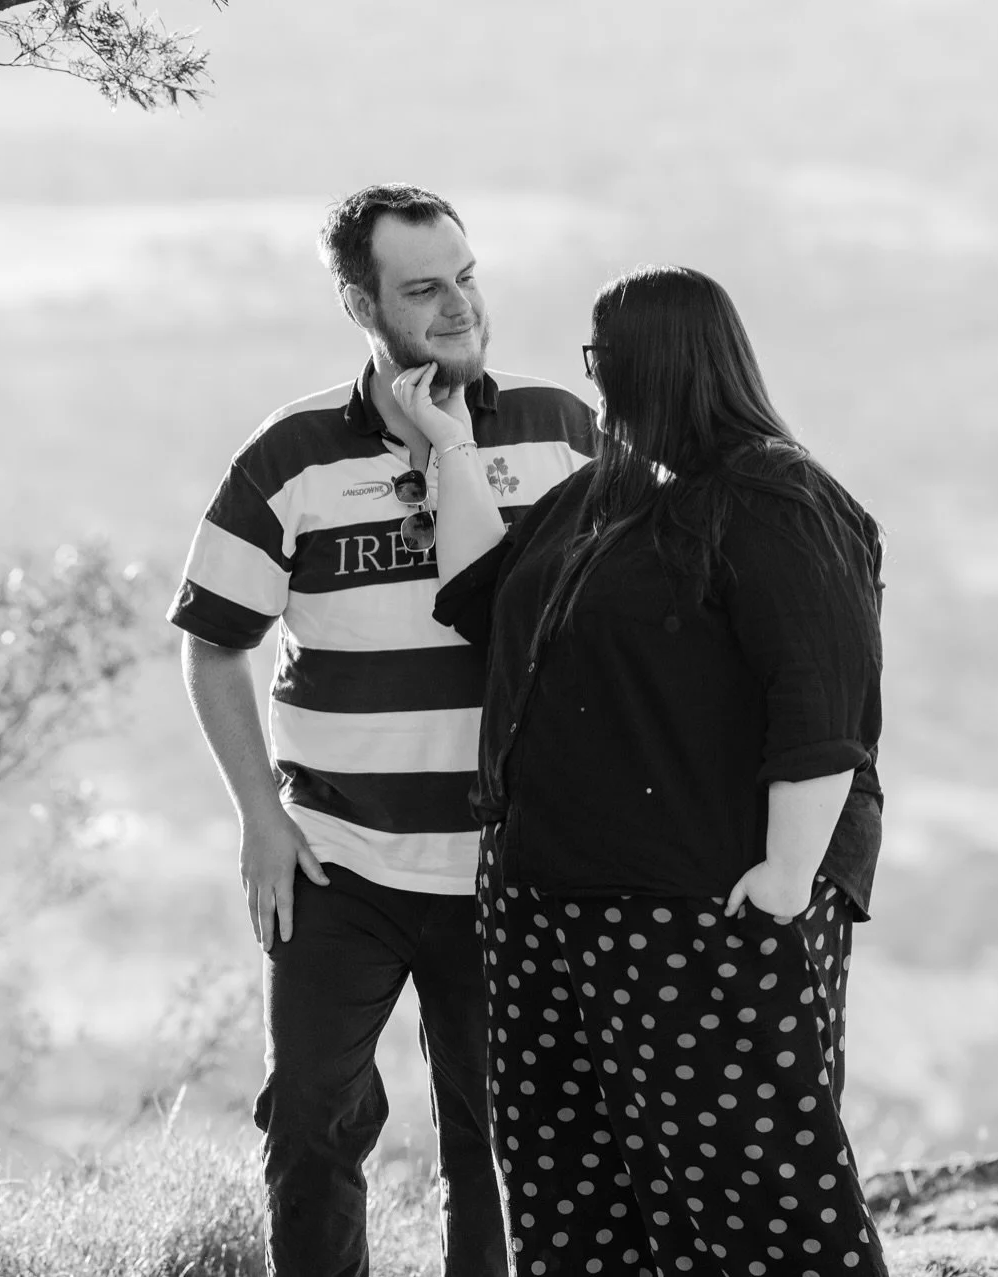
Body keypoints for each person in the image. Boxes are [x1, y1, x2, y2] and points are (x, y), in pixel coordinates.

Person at [395, 264, 891, 1276]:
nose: (595, 380)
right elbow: (486, 599)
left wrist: (788, 874)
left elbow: (821, 699)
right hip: (546, 901)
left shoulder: (776, 499)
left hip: (700, 908)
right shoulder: (608, 491)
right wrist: (450, 448)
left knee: (753, 1197)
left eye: (601, 359)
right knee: (572, 1196)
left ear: (650, 365)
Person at [166, 183, 598, 1277]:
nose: (459, 306)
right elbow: (214, 644)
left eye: (467, 277)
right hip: (337, 861)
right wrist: (260, 817)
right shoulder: (292, 453)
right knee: (311, 1121)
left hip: (508, 867)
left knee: (499, 1140)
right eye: (423, 290)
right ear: (361, 305)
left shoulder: (559, 431)